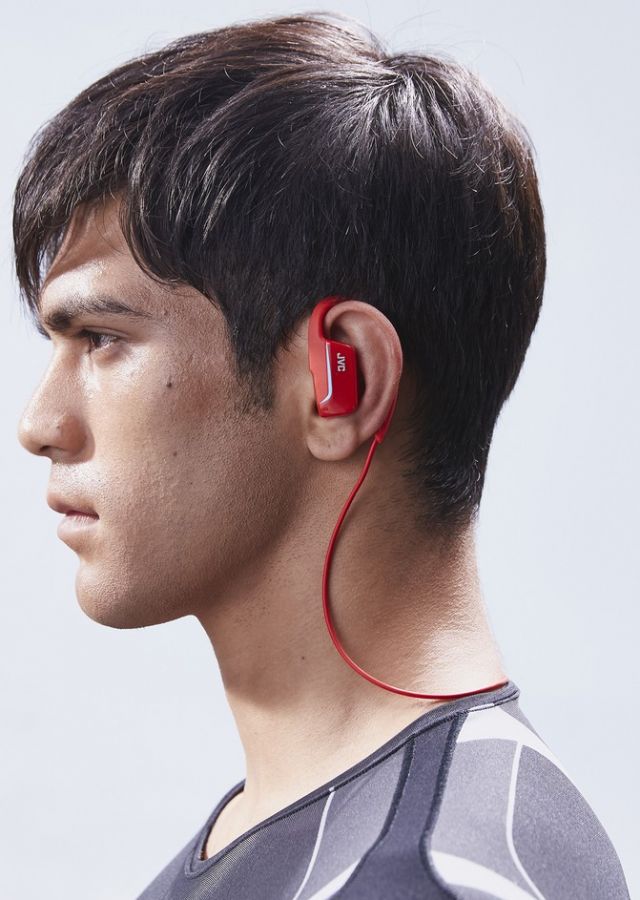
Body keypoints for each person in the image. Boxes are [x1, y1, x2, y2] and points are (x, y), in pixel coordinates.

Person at [13, 11, 630, 900]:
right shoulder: (363, 824)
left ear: (342, 380)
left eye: (103, 338)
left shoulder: (422, 877)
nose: (40, 423)